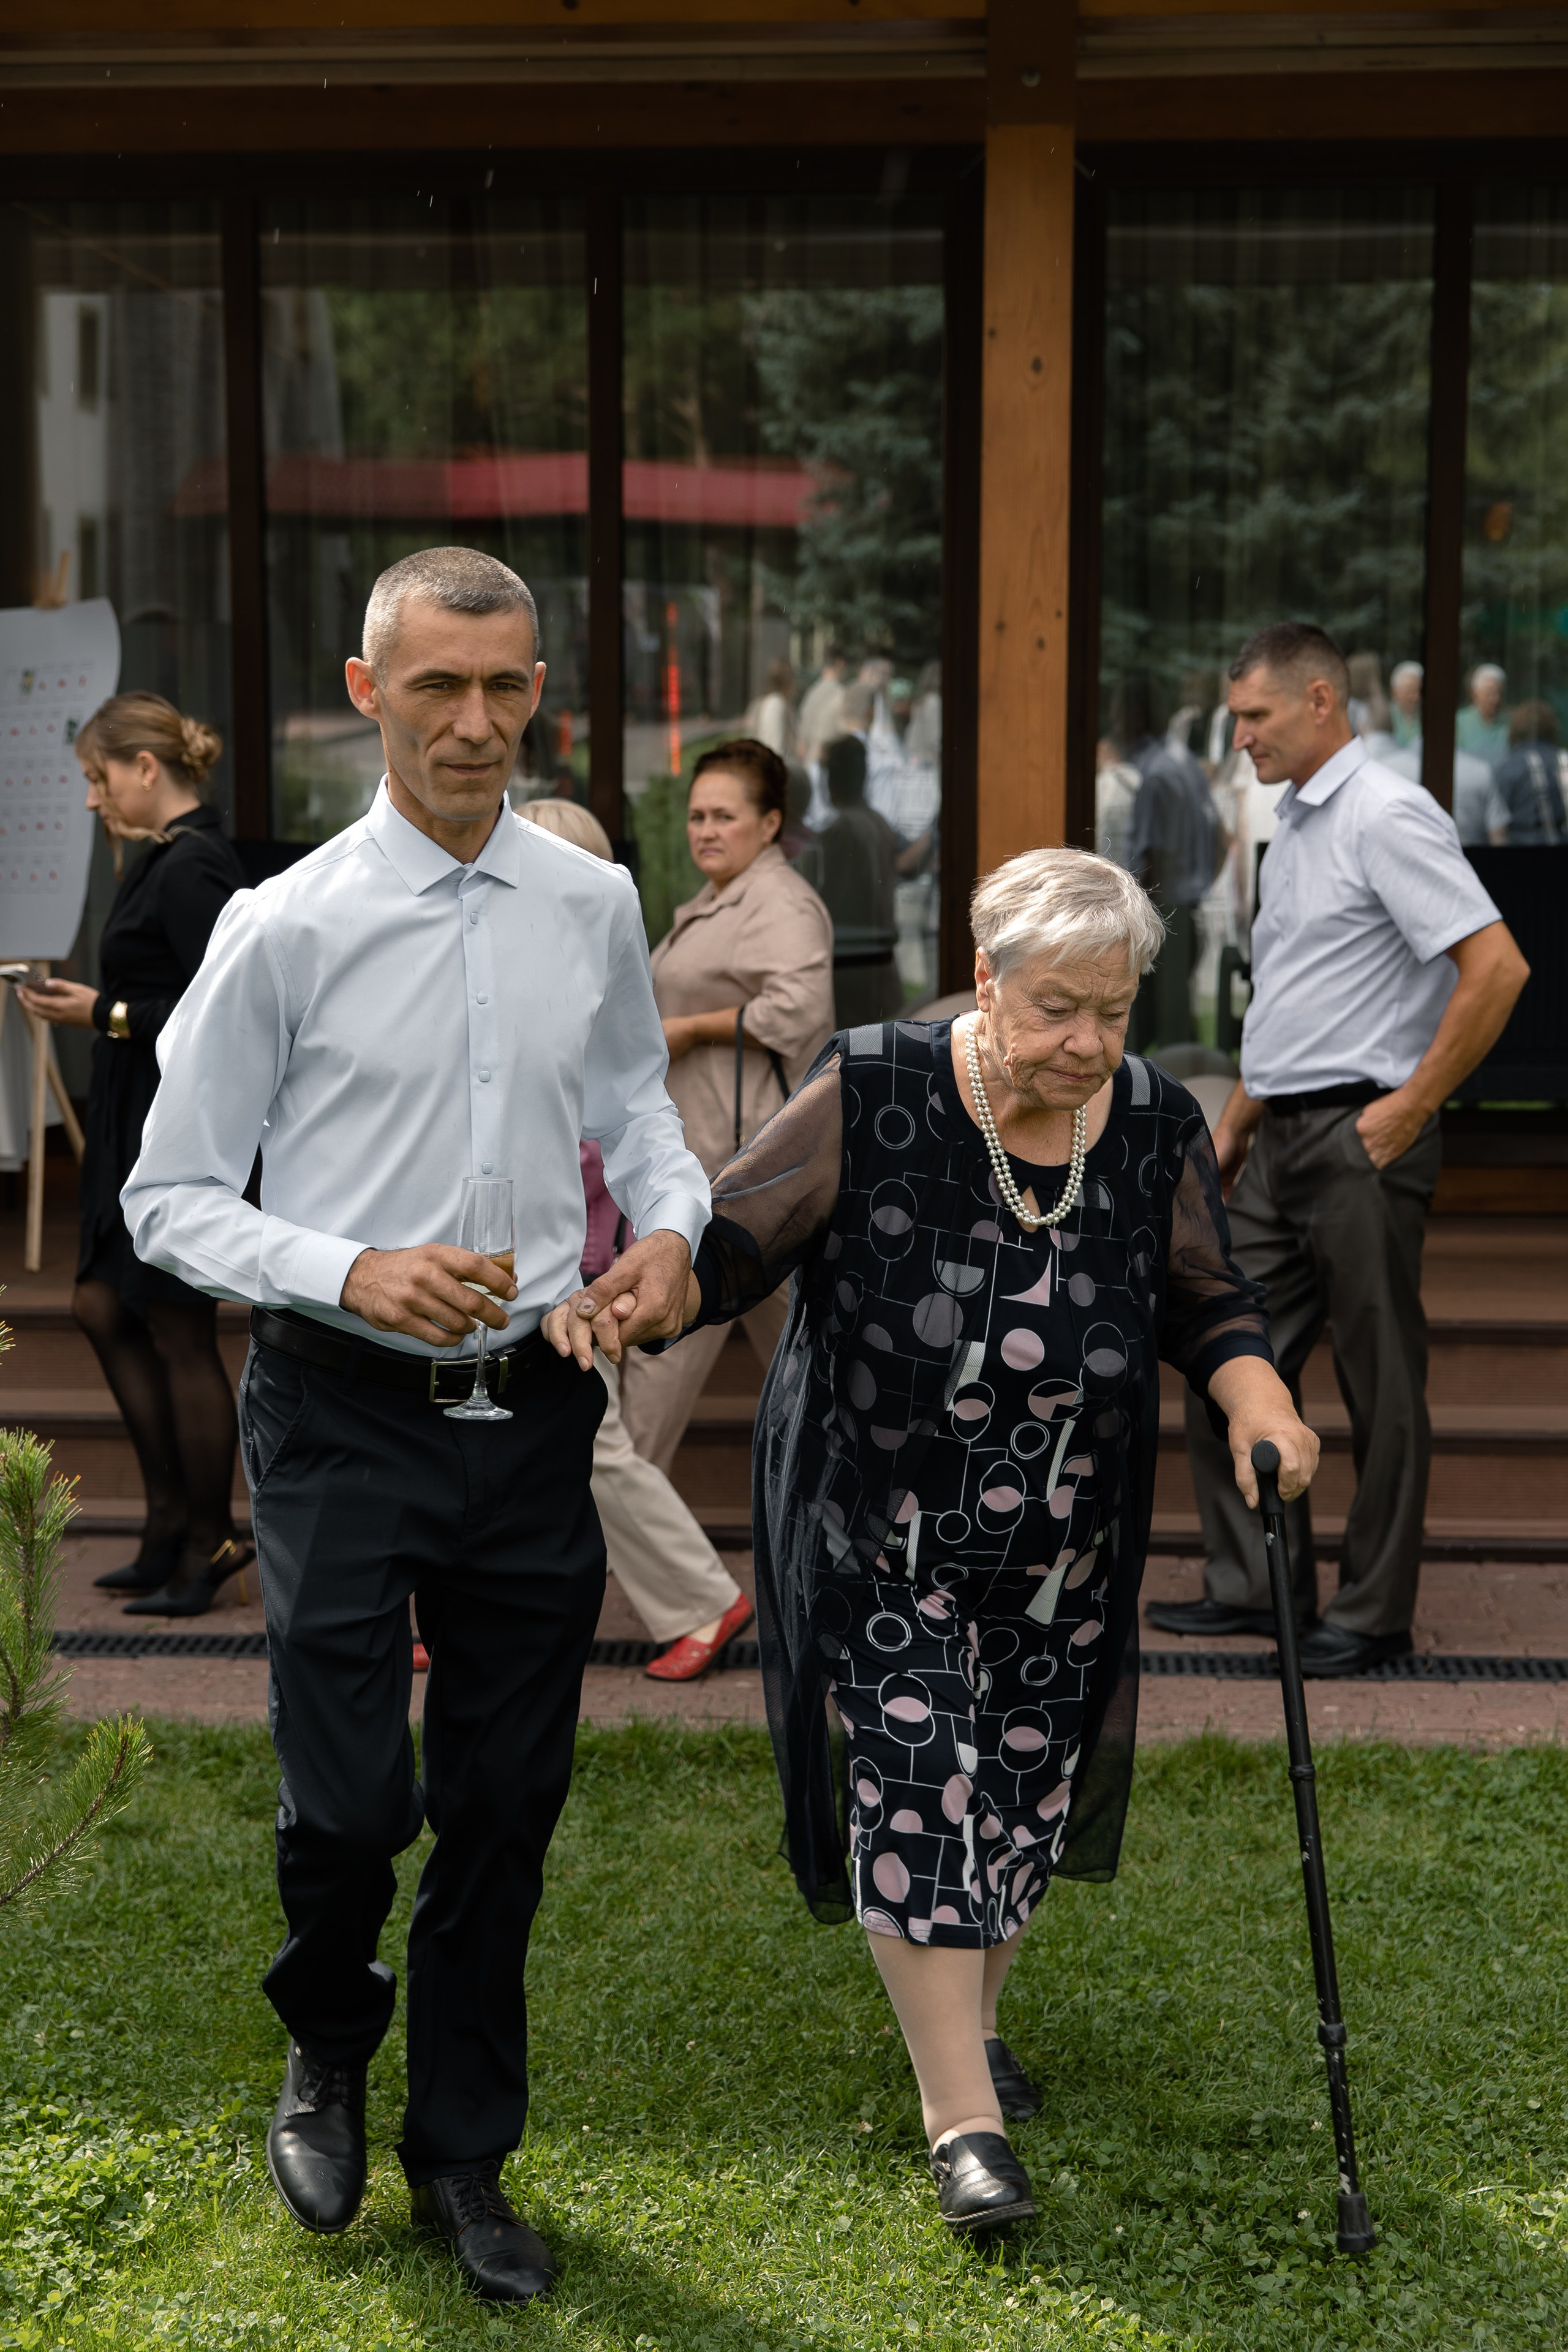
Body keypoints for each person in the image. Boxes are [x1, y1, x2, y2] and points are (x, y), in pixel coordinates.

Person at [548, 846, 1317, 2235]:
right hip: (877, 1516)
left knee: (1020, 1786)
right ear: (983, 977)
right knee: (915, 1769)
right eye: (1055, 1010)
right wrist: (651, 1289)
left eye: (1113, 1009)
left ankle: (965, 2016)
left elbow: (1204, 1294)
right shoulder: (880, 1084)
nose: (1087, 1043)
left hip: (1063, 1533)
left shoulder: (1145, 1120)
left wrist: (1256, 1394)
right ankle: (958, 2114)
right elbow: (734, 1242)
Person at [121, 548, 709, 2303]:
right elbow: (168, 1196)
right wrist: (346, 1268)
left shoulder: (588, 902)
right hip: (339, 1414)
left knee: (506, 1801)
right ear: (368, 690)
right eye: (438, 686)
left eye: (507, 687)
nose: (476, 722)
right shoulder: (281, 921)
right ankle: (325, 2037)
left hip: (534, 1415)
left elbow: (637, 1116)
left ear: (541, 694)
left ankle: (465, 2150)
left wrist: (671, 1233)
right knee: (358, 1796)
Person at [1149, 623, 1529, 1676]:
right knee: (1223, 1349)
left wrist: (1411, 1106)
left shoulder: (1388, 814)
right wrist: (1233, 1128)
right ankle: (1253, 1587)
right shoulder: (1301, 823)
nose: (1240, 739)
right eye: (1234, 719)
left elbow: (1496, 969)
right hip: (1276, 1140)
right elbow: (1296, 1003)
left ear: (1321, 701)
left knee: (1380, 1383)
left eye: (1255, 717)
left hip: (1365, 1135)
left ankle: (1372, 1615)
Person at [17, 692, 251, 1616]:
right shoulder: (165, 858)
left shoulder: (195, 865)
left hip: (173, 1126)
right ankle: (169, 1528)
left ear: (145, 769)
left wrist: (101, 1014)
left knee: (175, 1324)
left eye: (96, 777)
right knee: (105, 1303)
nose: (90, 799)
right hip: (134, 1121)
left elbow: (224, 1017)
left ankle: (208, 1538)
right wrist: (104, 1004)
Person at [520, 796, 753, 1682]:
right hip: (548, 1266)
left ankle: (703, 1601)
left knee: (597, 1449)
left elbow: (599, 1155)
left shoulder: (577, 995)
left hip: (569, 1273)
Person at [619, 737, 834, 1480]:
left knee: (667, 1352)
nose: (705, 830)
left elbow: (802, 1008)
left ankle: (617, 1531)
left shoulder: (779, 901)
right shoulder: (720, 897)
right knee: (804, 1360)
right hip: (709, 1158)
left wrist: (688, 1028)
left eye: (725, 816)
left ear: (770, 824)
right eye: (696, 815)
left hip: (745, 1165)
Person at [1110, 682, 1220, 1052]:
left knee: (1150, 1035)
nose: (1112, 723)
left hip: (1160, 913)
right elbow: (1220, 837)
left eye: (1116, 713)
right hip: (1184, 910)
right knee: (1173, 1025)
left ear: (1135, 717)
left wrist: (1128, 916)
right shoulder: (1185, 762)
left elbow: (1152, 858)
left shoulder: (1156, 774)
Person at [816, 733, 903, 1028]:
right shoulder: (877, 822)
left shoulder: (841, 830)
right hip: (876, 965)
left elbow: (831, 902)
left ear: (833, 779)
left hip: (851, 965)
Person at [1487, 699, 1566, 844]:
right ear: (1552, 728)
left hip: (1521, 852)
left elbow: (1496, 820)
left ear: (1516, 729)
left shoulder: (1509, 767)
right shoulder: (1563, 760)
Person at [1457, 662, 1510, 767]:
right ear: (1475, 693)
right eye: (1490, 693)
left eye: (1499, 693)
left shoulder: (1509, 723)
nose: (1496, 699)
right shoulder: (1460, 722)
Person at [1390, 660, 1423, 748]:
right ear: (1395, 692)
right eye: (1410, 691)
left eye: (1419, 691)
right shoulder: (1386, 717)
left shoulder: (1426, 718)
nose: (1416, 697)